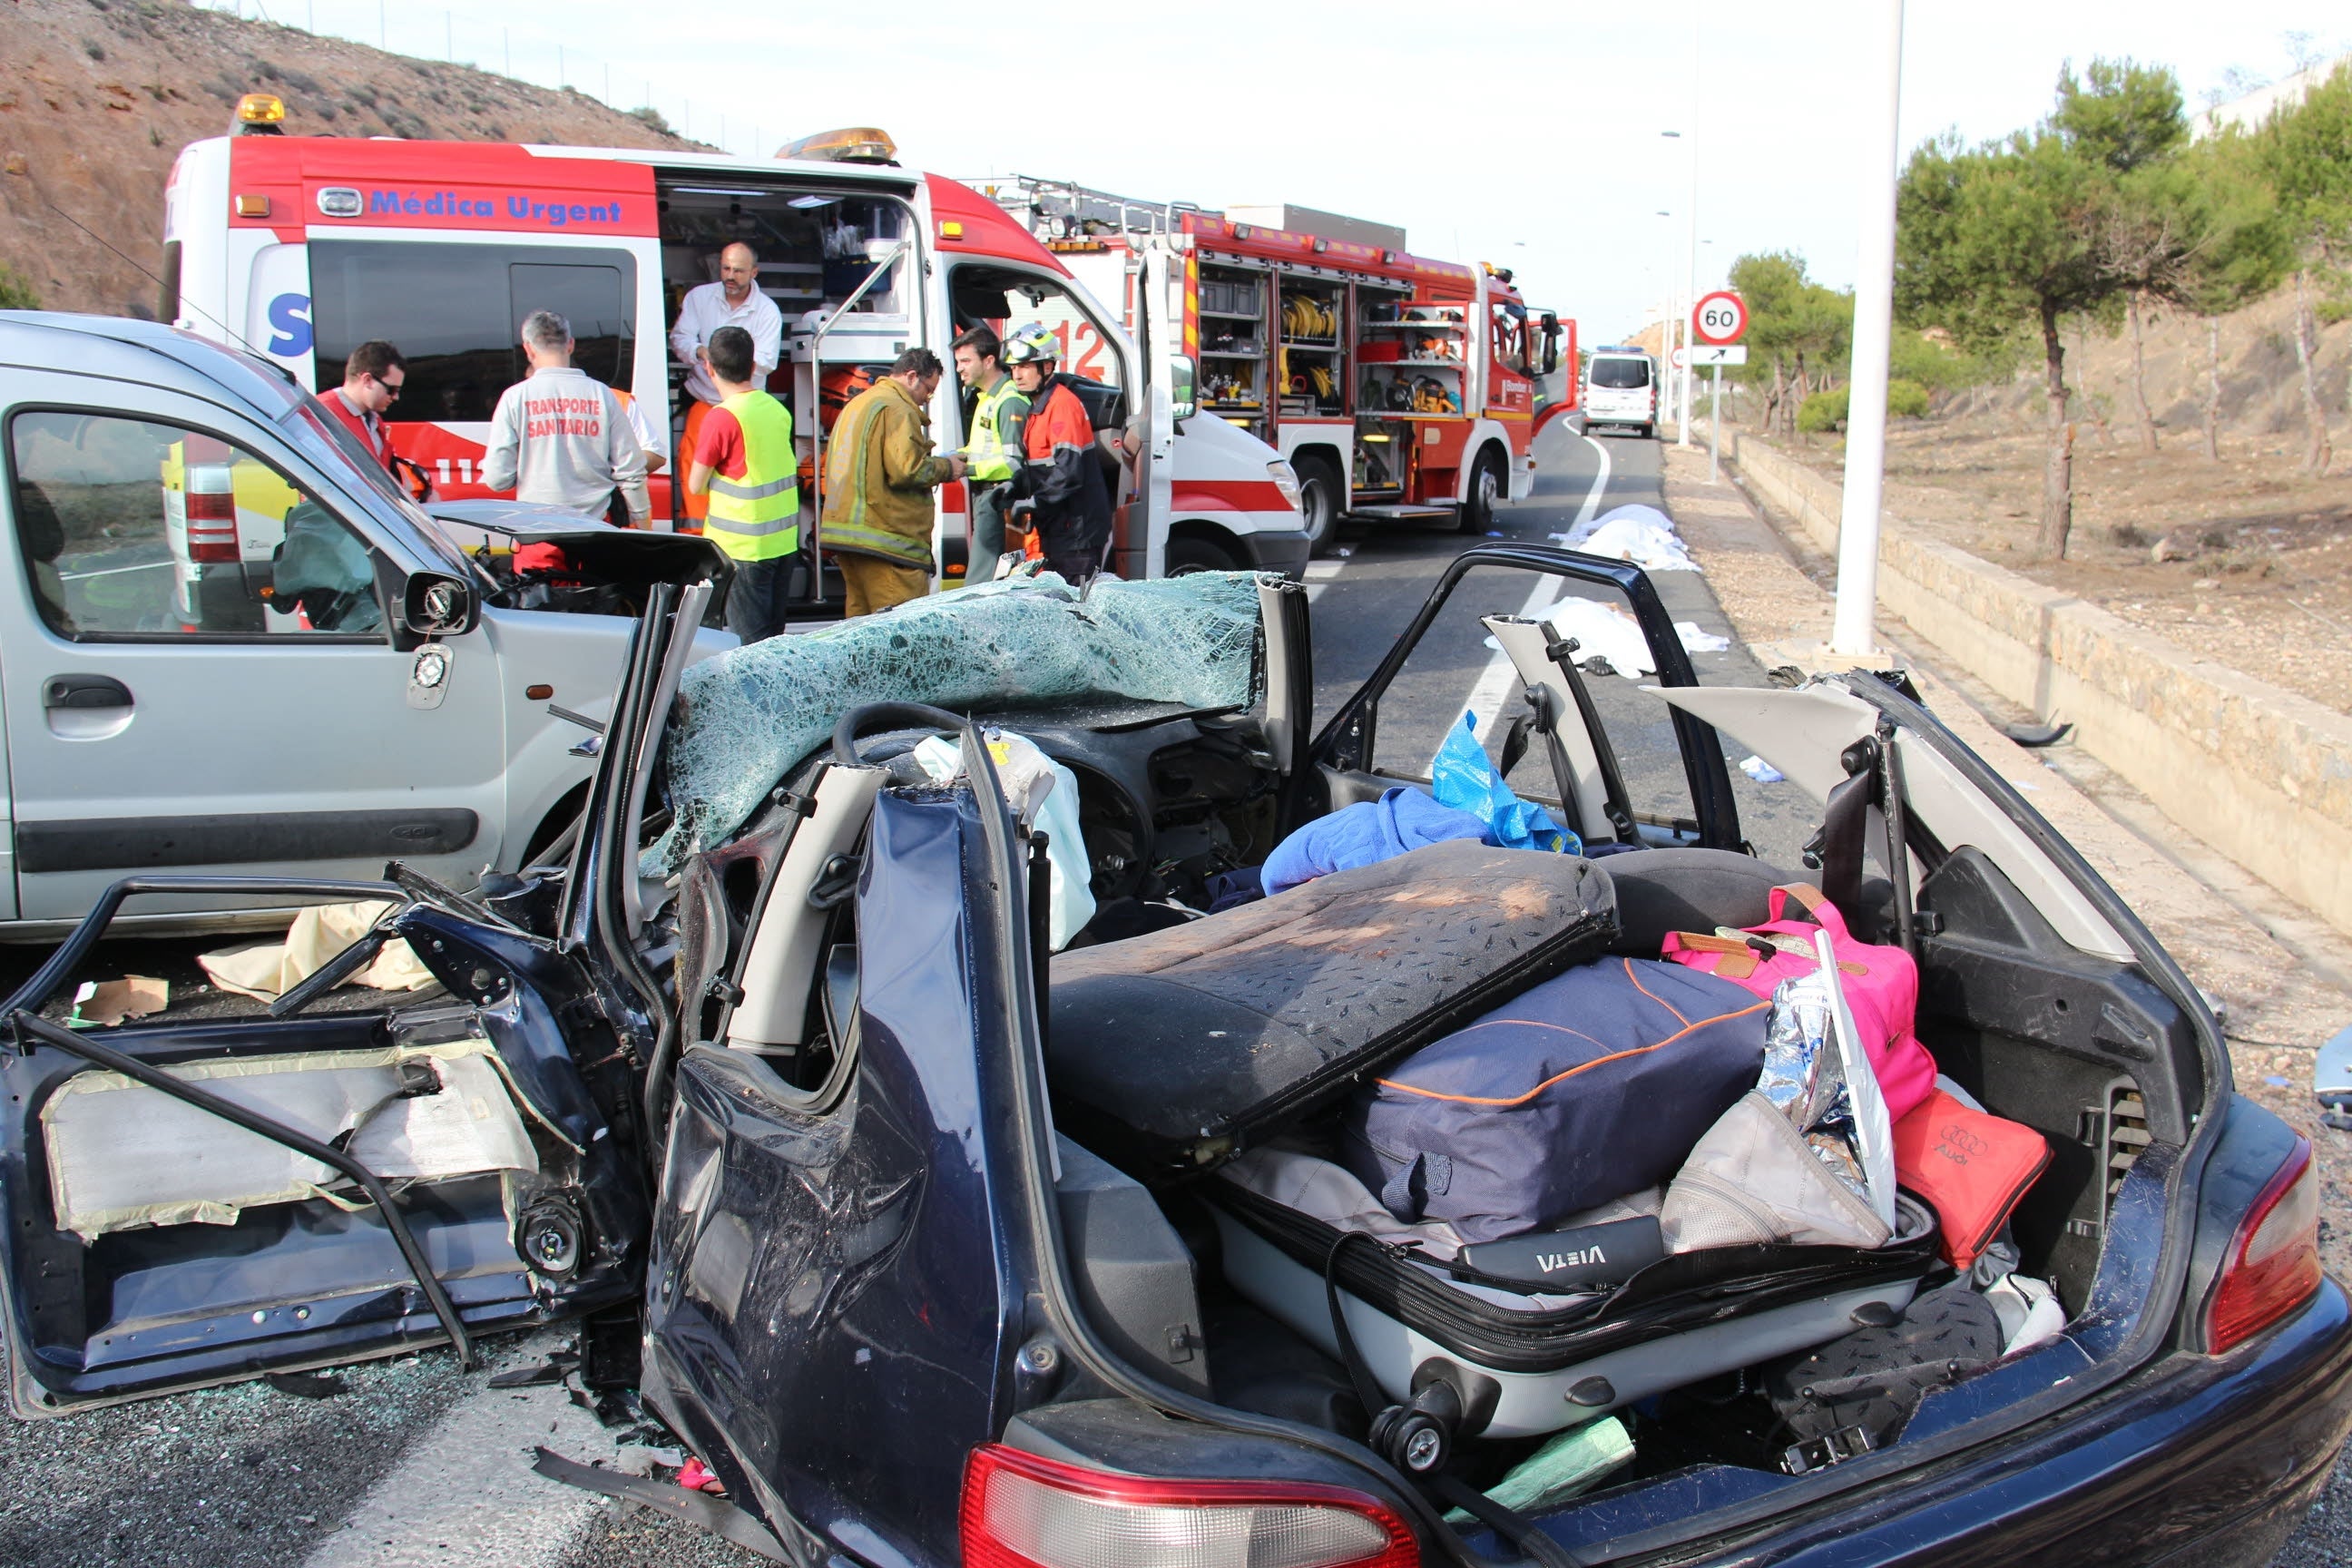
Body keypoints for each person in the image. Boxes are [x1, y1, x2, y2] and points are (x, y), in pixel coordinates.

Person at [820, 347, 965, 618]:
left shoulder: (860, 403)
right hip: (887, 543)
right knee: (898, 635)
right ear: (912, 377)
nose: (926, 399)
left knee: (859, 633)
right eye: (928, 390)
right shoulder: (898, 409)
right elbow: (907, 470)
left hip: (849, 538)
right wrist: (948, 467)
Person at [686, 325, 802, 643]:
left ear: (709, 367)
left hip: (742, 550)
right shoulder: (777, 410)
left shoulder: (721, 417)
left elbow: (696, 484)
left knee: (748, 648)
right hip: (781, 544)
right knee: (772, 642)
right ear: (753, 366)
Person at [481, 310, 650, 527]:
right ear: (570, 345)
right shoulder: (602, 395)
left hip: (537, 532)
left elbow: (497, 479)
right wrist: (643, 524)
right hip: (595, 531)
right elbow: (632, 471)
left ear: (528, 348)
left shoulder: (515, 398)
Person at [669, 242, 782, 527]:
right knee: (693, 480)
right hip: (704, 401)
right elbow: (679, 340)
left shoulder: (767, 311)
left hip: (746, 409)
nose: (731, 276)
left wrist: (724, 360)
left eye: (739, 271)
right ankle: (698, 546)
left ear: (754, 272)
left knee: (745, 477)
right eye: (726, 268)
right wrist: (700, 352)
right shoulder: (699, 298)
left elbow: (767, 361)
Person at [1003, 324, 1112, 581]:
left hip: (1077, 531)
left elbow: (1068, 473)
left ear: (1048, 367)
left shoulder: (1061, 406)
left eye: (1025, 367)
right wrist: (1014, 486)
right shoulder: (1040, 406)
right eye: (1014, 368)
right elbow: (1042, 467)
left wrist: (1033, 502)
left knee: (1075, 608)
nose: (1017, 375)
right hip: (1062, 529)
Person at [950, 326, 1029, 572]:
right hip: (988, 497)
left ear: (989, 361)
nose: (959, 368)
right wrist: (956, 456)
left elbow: (1013, 462)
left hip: (999, 498)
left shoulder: (1008, 400)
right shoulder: (987, 398)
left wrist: (967, 468)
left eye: (965, 361)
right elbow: (983, 448)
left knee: (982, 578)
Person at [316, 339, 405, 475]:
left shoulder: (373, 418)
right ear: (367, 380)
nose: (396, 397)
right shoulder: (322, 415)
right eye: (392, 389)